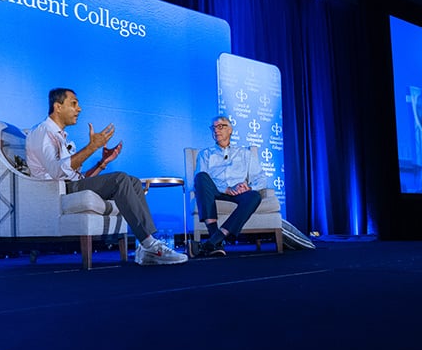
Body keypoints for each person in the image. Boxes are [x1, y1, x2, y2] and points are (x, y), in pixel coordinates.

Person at [25, 87, 188, 265]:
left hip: (69, 185)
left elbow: (77, 177)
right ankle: (150, 244)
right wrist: (92, 147)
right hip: (55, 190)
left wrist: (102, 163)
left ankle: (145, 248)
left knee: (131, 181)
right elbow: (57, 172)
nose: (79, 109)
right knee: (119, 179)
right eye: (74, 104)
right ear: (58, 106)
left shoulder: (60, 136)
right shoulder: (42, 132)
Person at [191, 115, 266, 257]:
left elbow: (261, 178)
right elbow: (201, 180)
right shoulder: (205, 154)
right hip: (216, 191)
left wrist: (248, 187)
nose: (216, 130)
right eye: (213, 128)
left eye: (220, 126)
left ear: (230, 130)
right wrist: (225, 188)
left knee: (255, 196)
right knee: (200, 178)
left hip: (239, 192)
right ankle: (215, 237)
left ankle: (215, 239)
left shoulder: (245, 153)